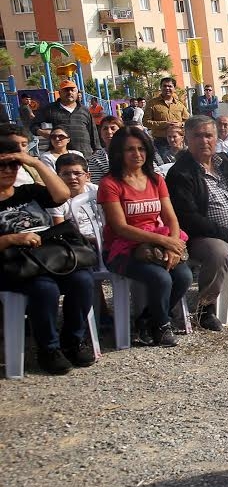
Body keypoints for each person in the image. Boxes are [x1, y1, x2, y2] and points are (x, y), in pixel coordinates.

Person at [0, 139, 95, 374]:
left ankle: (73, 340)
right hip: (13, 264)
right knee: (45, 289)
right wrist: (12, 239)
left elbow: (62, 194)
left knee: (83, 280)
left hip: (48, 258)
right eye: (2, 165)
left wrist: (34, 162)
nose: (8, 170)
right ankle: (48, 349)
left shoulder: (28, 191)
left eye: (13, 164)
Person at [97, 126, 193, 348]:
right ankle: (161, 326)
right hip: (121, 249)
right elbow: (120, 227)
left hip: (157, 245)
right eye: (130, 149)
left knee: (184, 276)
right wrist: (164, 241)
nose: (137, 154)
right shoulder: (110, 184)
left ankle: (146, 321)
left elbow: (171, 218)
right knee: (161, 278)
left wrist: (173, 245)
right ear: (119, 153)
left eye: (141, 148)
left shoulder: (156, 180)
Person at [165, 115, 228, 331]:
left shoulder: (227, 163)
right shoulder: (180, 173)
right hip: (201, 237)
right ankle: (206, 308)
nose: (204, 141)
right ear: (187, 139)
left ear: (216, 138)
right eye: (197, 136)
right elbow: (188, 218)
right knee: (218, 251)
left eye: (208, 135)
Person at [31, 80, 100, 156]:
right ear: (59, 93)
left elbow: (93, 133)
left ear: (77, 93)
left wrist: (97, 150)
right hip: (60, 157)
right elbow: (32, 125)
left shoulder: (85, 110)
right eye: (66, 90)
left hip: (85, 156)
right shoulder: (50, 109)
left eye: (72, 90)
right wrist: (41, 132)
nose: (70, 92)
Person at [48, 153, 102, 241]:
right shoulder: (56, 199)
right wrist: (93, 241)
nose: (72, 177)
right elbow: (61, 232)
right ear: (57, 177)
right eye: (66, 174)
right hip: (78, 242)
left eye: (77, 173)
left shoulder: (95, 190)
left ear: (87, 176)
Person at [86, 116, 123, 181]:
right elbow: (97, 184)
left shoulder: (132, 153)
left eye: (113, 128)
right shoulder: (95, 159)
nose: (109, 132)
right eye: (105, 129)